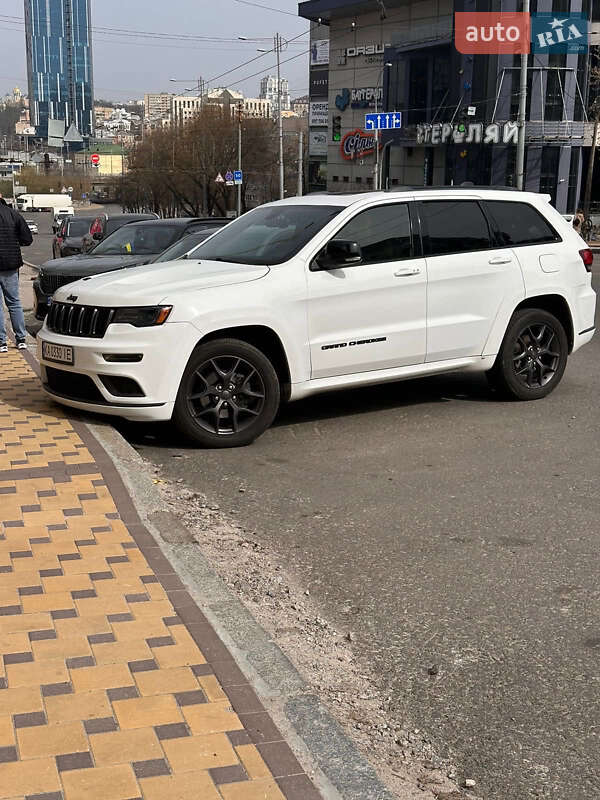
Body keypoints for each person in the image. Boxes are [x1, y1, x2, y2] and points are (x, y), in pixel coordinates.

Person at [0, 193, 33, 353]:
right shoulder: (13, 214)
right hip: (11, 265)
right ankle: (21, 339)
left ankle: (2, 342)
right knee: (13, 302)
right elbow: (27, 239)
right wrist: (15, 241)